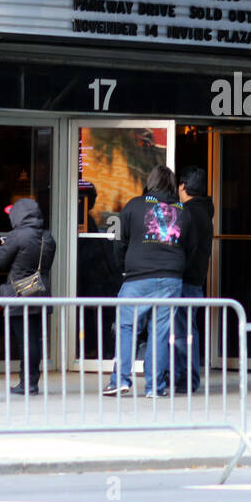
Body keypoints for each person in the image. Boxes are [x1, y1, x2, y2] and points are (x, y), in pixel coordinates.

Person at [104, 166, 187, 397]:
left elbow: (118, 242)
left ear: (150, 182)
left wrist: (123, 268)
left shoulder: (134, 205)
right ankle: (155, 387)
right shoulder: (183, 211)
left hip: (137, 278)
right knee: (160, 333)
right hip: (171, 278)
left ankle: (120, 380)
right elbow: (189, 246)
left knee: (127, 327)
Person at [0, 198, 56, 395]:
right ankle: (32, 381)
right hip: (40, 291)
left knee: (24, 340)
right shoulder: (48, 237)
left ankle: (27, 383)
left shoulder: (17, 236)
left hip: (20, 293)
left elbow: (0, 263)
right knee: (35, 339)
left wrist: (4, 245)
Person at [174, 167, 213, 393]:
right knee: (189, 329)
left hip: (185, 279)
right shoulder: (204, 212)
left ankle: (186, 379)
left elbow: (185, 248)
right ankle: (187, 377)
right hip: (196, 279)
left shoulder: (186, 213)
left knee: (183, 332)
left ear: (183, 187)